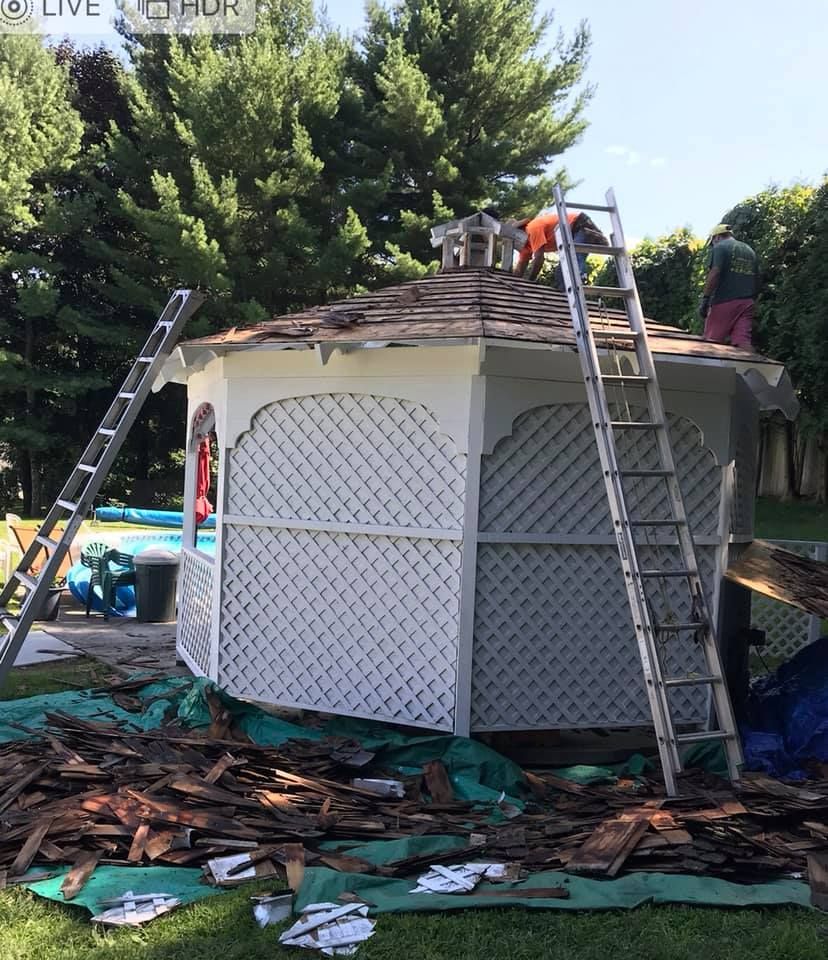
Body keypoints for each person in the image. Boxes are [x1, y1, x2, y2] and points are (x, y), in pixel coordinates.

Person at [699, 224, 759, 349]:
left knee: (711, 342)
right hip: (748, 302)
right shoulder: (749, 250)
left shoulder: (720, 247)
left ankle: (708, 368)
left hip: (724, 301)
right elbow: (757, 277)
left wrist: (705, 298)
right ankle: (751, 366)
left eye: (713, 243)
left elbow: (715, 272)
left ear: (716, 238)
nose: (713, 246)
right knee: (743, 342)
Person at [513, 210, 608, 284]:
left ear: (520, 230)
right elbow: (520, 268)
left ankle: (580, 278)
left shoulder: (532, 228)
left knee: (573, 258)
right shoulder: (524, 246)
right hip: (572, 235)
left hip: (579, 225)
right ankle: (568, 299)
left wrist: (530, 282)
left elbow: (539, 259)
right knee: (561, 274)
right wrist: (514, 281)